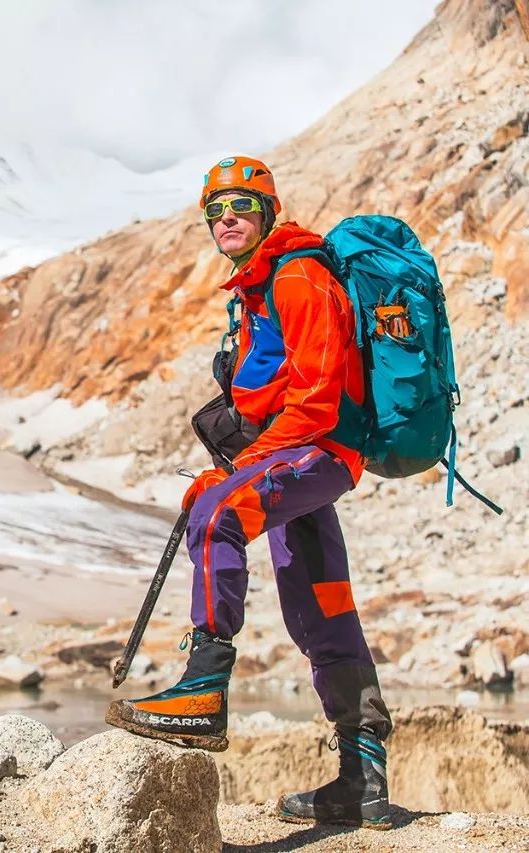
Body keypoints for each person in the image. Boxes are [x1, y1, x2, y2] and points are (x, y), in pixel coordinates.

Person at [105, 156, 393, 830]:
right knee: (322, 607)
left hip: (316, 452)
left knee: (215, 512)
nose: (225, 218)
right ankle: (364, 779)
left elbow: (318, 402)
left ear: (266, 210)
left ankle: (203, 687)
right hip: (303, 458)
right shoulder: (258, 290)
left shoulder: (297, 277)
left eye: (239, 204)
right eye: (214, 209)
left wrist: (234, 475)